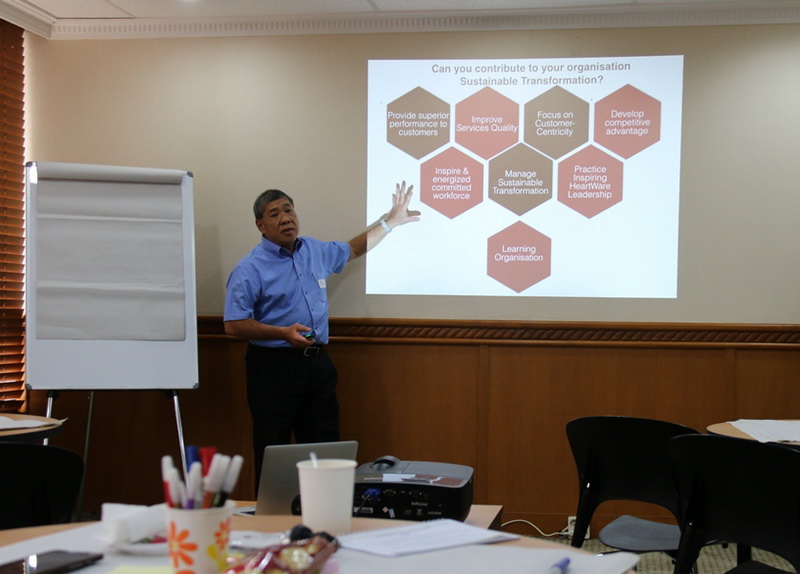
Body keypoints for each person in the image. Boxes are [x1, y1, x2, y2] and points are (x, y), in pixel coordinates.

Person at [224, 182, 420, 485]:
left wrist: (390, 221)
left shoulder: (313, 250)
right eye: (274, 214)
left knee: (325, 448)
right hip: (272, 368)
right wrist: (282, 332)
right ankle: (273, 513)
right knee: (273, 448)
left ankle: (325, 509)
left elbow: (353, 248)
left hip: (316, 364)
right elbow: (233, 324)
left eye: (289, 210)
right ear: (260, 225)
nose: (285, 218)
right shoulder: (249, 268)